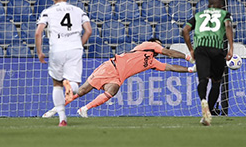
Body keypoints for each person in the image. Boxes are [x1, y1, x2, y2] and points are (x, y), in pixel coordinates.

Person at [63, 38, 194, 117]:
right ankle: (57, 107)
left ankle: (84, 109)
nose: (160, 47)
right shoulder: (148, 45)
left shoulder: (153, 62)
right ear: (153, 43)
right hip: (111, 67)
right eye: (158, 44)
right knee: (83, 91)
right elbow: (169, 53)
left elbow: (170, 67)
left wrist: (190, 69)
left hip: (118, 76)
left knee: (112, 91)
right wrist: (187, 57)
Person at [35, 0, 92, 126]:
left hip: (57, 49)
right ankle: (70, 86)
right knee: (75, 84)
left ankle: (62, 119)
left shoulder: (47, 12)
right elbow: (88, 30)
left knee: (57, 85)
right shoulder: (78, 10)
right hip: (74, 48)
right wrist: (80, 44)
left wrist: (40, 52)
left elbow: (38, 32)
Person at [182, 0, 234, 126]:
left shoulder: (199, 15)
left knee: (203, 79)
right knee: (216, 81)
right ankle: (208, 112)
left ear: (208, 5)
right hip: (217, 49)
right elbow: (228, 26)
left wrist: (191, 49)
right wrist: (231, 48)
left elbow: (185, 30)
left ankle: (203, 100)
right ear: (221, 5)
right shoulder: (224, 14)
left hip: (201, 49)